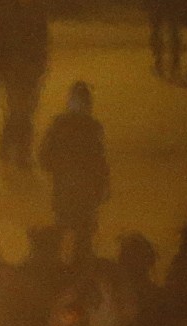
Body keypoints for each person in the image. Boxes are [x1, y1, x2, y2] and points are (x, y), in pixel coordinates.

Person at [38, 81, 110, 252]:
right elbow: (99, 160)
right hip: (75, 189)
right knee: (76, 234)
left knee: (73, 233)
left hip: (75, 190)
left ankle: (65, 268)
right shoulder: (86, 126)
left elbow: (98, 160)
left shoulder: (67, 125)